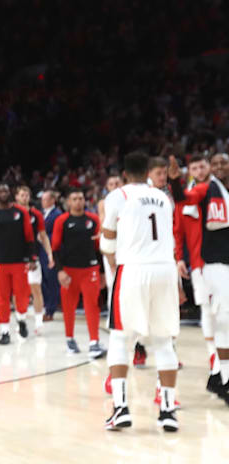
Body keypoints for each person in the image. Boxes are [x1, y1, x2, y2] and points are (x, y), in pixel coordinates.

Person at [102, 151, 180, 431]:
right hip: (165, 269)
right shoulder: (162, 197)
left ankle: (120, 408)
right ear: (148, 171)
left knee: (120, 340)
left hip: (133, 269)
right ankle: (169, 412)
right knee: (163, 341)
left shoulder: (118, 196)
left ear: (124, 174)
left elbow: (108, 237)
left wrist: (108, 253)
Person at [168, 152, 229, 405]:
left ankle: (217, 375)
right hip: (210, 265)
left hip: (221, 263)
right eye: (214, 164)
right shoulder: (205, 189)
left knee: (220, 320)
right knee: (222, 319)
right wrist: (174, 182)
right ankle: (222, 376)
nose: (218, 167)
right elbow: (182, 199)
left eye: (222, 162)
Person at [51, 188, 106, 358]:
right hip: (69, 271)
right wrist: (60, 271)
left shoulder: (94, 219)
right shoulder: (62, 221)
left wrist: (102, 272)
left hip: (90, 270)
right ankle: (70, 340)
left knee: (92, 306)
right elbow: (55, 248)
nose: (78, 202)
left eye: (81, 198)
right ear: (68, 202)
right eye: (74, 199)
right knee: (69, 307)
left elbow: (99, 248)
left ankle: (94, 342)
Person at [0, 183, 36, 344]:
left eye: (6, 190)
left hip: (19, 261)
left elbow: (29, 237)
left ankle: (21, 320)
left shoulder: (21, 212)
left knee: (22, 295)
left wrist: (32, 258)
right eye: (1, 191)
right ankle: (4, 331)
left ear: (10, 193)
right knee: (1, 298)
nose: (4, 193)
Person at [15, 185, 55, 334]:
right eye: (22, 195)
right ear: (17, 197)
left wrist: (50, 254)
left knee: (36, 289)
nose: (24, 197)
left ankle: (38, 322)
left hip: (33, 257)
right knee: (17, 292)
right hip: (15, 259)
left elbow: (43, 236)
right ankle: (21, 320)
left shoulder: (36, 214)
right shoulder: (11, 213)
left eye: (26, 195)